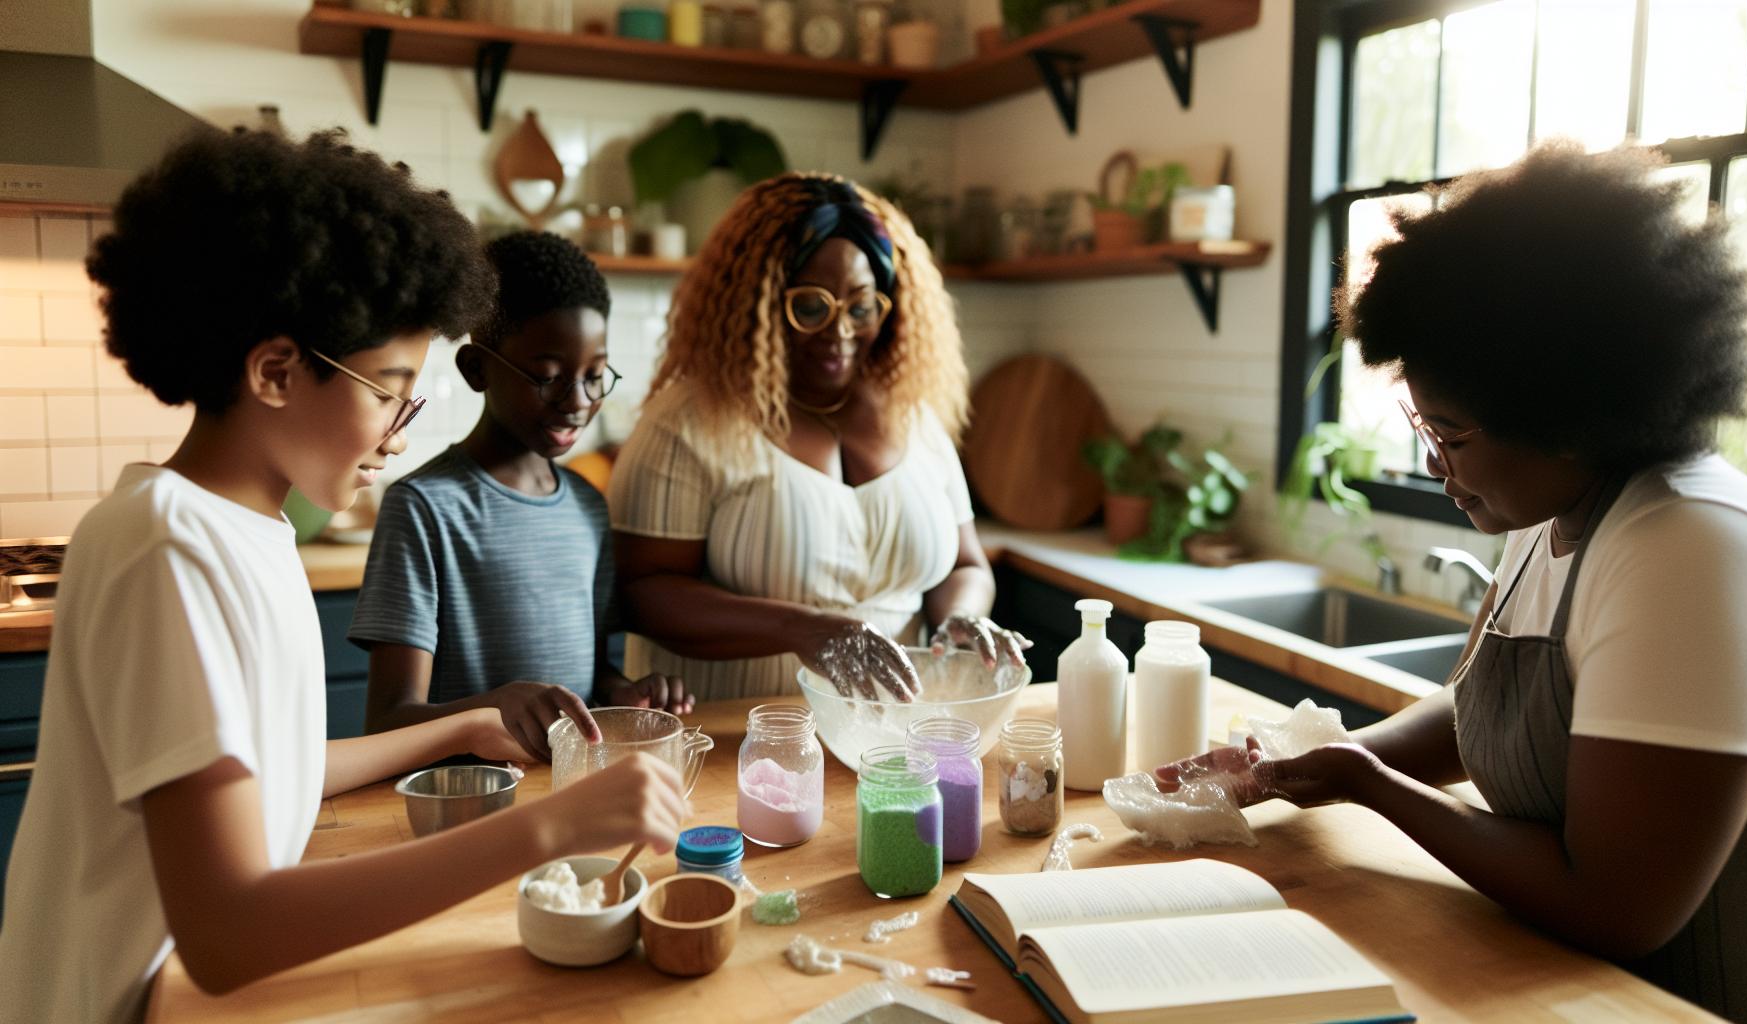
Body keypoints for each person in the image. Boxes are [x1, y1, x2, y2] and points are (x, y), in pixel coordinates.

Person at [0, 129, 688, 1023]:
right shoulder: (163, 549)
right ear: (277, 372)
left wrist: (467, 725)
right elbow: (225, 932)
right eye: (387, 390)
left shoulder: (248, 530)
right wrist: (552, 827)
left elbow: (281, 768)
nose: (401, 430)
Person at [1160, 143, 1747, 1023]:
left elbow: (1620, 906)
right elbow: (1476, 712)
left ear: (1565, 418)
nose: (1432, 462)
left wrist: (1371, 787)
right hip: (1559, 976)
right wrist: (1298, 769)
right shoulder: (1553, 510)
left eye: (1452, 437)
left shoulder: (1690, 544)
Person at [608, 174, 1027, 702]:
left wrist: (963, 619)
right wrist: (803, 628)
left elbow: (966, 565)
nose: (840, 331)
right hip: (733, 737)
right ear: (754, 305)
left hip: (888, 741)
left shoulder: (915, 417)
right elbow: (642, 594)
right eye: (810, 306)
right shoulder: (690, 421)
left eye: (861, 307)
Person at [351, 230, 691, 763]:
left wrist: (622, 693)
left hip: (567, 796)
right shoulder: (424, 508)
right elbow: (388, 719)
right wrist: (495, 709)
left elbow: (591, 675)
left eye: (595, 376)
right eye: (547, 377)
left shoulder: (587, 507)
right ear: (476, 369)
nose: (576, 401)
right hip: (466, 807)